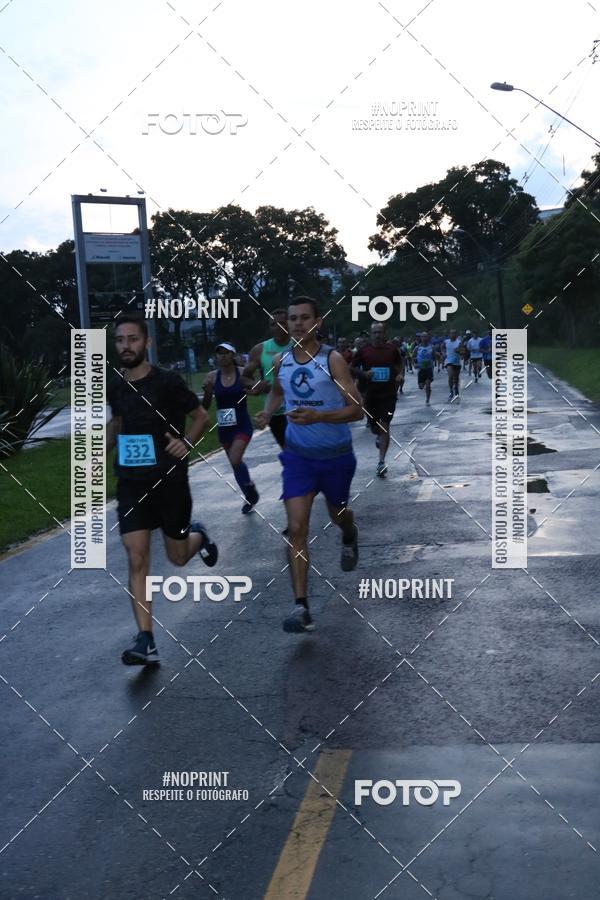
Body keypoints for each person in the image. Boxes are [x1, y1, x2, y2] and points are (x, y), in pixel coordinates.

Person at [107, 314, 218, 667]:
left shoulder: (168, 382)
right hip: (130, 483)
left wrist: (187, 442)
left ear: (147, 343)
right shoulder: (115, 385)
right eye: (121, 340)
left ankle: (198, 536)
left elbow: (201, 415)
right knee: (136, 556)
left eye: (133, 339)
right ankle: (146, 639)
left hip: (170, 482)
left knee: (178, 557)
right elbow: (119, 422)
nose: (126, 346)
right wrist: (101, 450)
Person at [255, 297, 363, 634]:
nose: (298, 324)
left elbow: (357, 409)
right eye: (292, 319)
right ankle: (301, 607)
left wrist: (319, 415)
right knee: (297, 528)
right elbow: (277, 391)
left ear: (318, 322)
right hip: (298, 457)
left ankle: (349, 533)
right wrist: (267, 412)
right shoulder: (281, 359)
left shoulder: (332, 360)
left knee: (338, 514)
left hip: (335, 456)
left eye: (305, 318)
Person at [203, 342, 259, 514]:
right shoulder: (212, 377)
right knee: (235, 464)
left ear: (233, 355)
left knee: (235, 459)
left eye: (226, 353)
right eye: (219, 353)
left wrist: (252, 390)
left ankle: (250, 488)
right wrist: (207, 392)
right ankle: (249, 496)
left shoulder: (241, 372)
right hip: (225, 427)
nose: (222, 356)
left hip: (242, 424)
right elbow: (205, 406)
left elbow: (256, 388)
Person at [352, 322, 403, 477]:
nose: (378, 335)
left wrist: (401, 375)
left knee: (385, 426)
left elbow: (400, 363)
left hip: (388, 395)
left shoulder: (392, 350)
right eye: (375, 332)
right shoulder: (364, 351)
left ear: (385, 334)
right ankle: (378, 436)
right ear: (371, 334)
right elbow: (351, 367)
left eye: (380, 332)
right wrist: (363, 374)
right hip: (370, 395)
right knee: (375, 427)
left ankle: (381, 462)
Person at [243, 309, 293, 449]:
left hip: (297, 406)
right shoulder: (260, 349)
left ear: (289, 324)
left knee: (302, 451)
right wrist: (256, 385)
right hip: (274, 411)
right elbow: (245, 376)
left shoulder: (300, 345)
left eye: (282, 323)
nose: (277, 327)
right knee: (288, 450)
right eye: (273, 324)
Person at [415, 331, 439, 406]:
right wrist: (415, 363)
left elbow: (435, 355)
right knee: (421, 387)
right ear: (421, 338)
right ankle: (424, 384)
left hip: (429, 368)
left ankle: (427, 400)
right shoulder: (417, 347)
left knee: (428, 384)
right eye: (423, 336)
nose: (424, 338)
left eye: (425, 336)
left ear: (428, 338)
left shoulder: (431, 347)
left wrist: (438, 357)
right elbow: (413, 356)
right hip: (421, 369)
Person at [444, 329, 464, 401]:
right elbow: (442, 347)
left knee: (456, 378)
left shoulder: (459, 342)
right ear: (449, 334)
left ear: (456, 335)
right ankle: (451, 391)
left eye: (454, 333)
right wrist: (443, 353)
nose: (453, 335)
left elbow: (463, 351)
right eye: (451, 333)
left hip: (457, 362)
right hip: (448, 362)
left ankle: (456, 389)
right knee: (450, 376)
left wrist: (459, 351)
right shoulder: (446, 342)